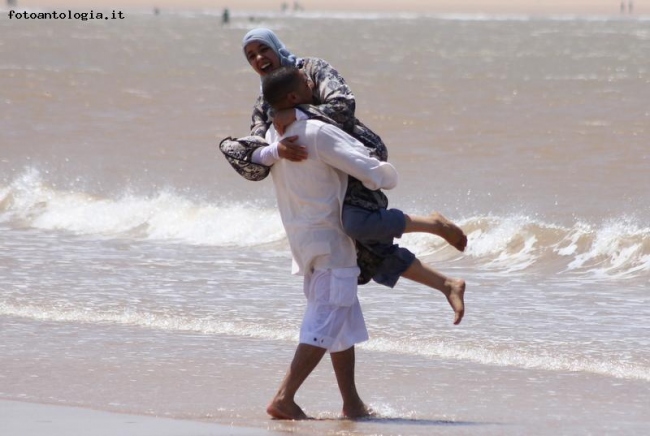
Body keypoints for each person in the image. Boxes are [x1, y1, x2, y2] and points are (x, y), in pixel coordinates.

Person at [221, 28, 467, 289]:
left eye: (263, 49)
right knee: (362, 253)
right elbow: (256, 149)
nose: (259, 58)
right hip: (317, 178)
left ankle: (434, 225)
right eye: (251, 56)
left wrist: (297, 112)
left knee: (357, 225)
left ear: (276, 47)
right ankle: (447, 285)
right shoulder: (265, 103)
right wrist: (272, 150)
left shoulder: (311, 70)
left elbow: (343, 106)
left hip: (354, 155)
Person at [259, 66, 402, 420]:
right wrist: (387, 174)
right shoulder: (318, 132)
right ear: (293, 97)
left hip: (305, 242)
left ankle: (351, 402)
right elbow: (371, 170)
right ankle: (283, 396)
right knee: (324, 322)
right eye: (307, 83)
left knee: (341, 322)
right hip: (331, 241)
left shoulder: (270, 136)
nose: (313, 83)